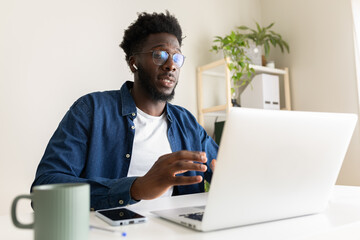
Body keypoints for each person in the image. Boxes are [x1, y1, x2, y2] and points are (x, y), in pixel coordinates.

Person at [31, 11, 218, 210]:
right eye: (159, 55)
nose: (171, 65)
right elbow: (44, 190)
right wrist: (135, 188)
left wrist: (231, 177)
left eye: (177, 57)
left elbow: (224, 171)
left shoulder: (186, 122)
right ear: (134, 63)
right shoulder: (91, 110)